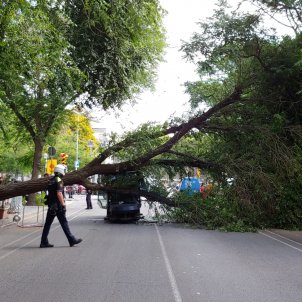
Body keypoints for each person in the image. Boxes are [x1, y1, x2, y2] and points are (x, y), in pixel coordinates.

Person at [40, 164, 82, 248]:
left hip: (51, 205)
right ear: (61, 171)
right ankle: (71, 240)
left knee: (47, 224)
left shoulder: (51, 180)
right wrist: (63, 204)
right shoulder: (59, 180)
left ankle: (43, 242)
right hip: (58, 206)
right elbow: (59, 193)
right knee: (64, 223)